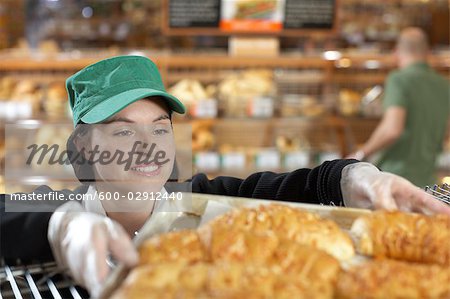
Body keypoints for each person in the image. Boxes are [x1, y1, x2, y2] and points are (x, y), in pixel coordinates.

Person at [1, 55, 449, 298]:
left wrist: (356, 178)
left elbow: (294, 185)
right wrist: (64, 227)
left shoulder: (198, 201)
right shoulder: (57, 206)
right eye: (122, 130)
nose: (148, 146)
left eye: (160, 129)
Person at [347, 27, 450, 187]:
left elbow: (392, 129)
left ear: (397, 52)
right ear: (427, 52)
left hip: (394, 178)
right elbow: (446, 132)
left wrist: (360, 154)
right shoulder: (445, 85)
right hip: (427, 180)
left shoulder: (398, 80)